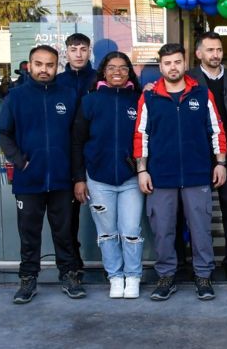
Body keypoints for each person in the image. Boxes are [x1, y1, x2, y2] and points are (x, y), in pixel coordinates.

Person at [134, 43, 227, 301]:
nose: (173, 67)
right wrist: (142, 170)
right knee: (162, 229)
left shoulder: (202, 94)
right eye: (167, 63)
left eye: (177, 62)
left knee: (200, 228)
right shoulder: (149, 97)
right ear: (160, 66)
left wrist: (220, 163)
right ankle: (166, 276)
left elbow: (217, 130)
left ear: (185, 63)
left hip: (197, 173)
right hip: (160, 176)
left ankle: (203, 275)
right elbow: (141, 135)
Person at [0, 45, 84, 304]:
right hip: (29, 180)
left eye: (49, 64)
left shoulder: (68, 95)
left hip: (61, 179)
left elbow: (77, 138)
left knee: (65, 232)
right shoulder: (16, 97)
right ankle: (28, 279)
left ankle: (69, 275)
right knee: (29, 234)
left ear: (57, 66)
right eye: (39, 64)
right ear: (30, 65)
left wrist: (77, 175)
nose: (44, 69)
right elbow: (4, 134)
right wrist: (20, 161)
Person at [71, 52, 143, 299]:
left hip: (131, 179)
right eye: (111, 67)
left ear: (129, 72)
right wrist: (79, 178)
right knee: (107, 233)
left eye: (123, 68)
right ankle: (115, 277)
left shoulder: (138, 100)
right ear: (103, 71)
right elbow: (77, 142)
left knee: (131, 230)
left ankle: (132, 277)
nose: (117, 72)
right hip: (98, 179)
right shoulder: (90, 101)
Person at [187, 31, 227, 281]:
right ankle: (200, 262)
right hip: (198, 155)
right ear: (199, 53)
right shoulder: (188, 78)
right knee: (198, 212)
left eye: (219, 50)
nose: (216, 54)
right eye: (210, 50)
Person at [57, 33, 97, 277]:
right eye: (74, 49)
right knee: (68, 214)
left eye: (83, 49)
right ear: (67, 53)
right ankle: (72, 262)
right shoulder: (58, 81)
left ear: (89, 51)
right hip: (65, 152)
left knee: (104, 210)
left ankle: (110, 262)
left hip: (95, 150)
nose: (79, 54)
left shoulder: (98, 79)